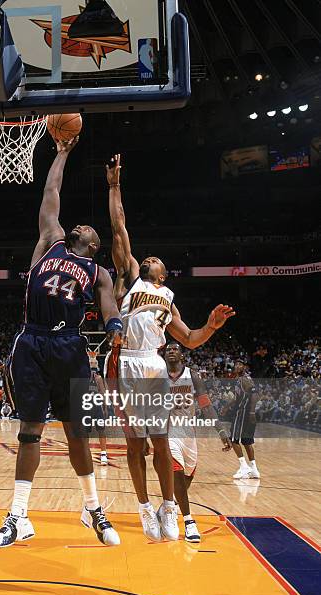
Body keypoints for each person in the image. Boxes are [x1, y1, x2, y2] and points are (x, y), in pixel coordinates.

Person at [0, 137, 123, 549]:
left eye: (88, 228)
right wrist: (62, 151)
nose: (81, 225)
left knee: (77, 433)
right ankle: (18, 517)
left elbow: (109, 303)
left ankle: (93, 508)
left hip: (69, 347)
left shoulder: (96, 270)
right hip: (31, 341)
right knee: (30, 430)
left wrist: (115, 326)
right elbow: (51, 193)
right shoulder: (52, 239)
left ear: (94, 244)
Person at [105, 154, 235, 542]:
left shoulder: (168, 300)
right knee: (135, 444)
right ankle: (144, 508)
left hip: (155, 366)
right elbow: (118, 227)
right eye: (147, 258)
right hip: (128, 362)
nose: (149, 258)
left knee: (160, 441)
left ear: (163, 274)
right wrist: (114, 186)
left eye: (156, 260)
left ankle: (167, 508)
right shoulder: (130, 276)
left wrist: (210, 327)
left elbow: (191, 339)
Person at [164, 342, 231, 542]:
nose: (171, 351)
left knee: (188, 473)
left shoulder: (192, 376)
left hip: (189, 431)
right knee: (176, 472)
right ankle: (189, 521)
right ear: (164, 355)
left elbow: (206, 405)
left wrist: (220, 430)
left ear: (182, 355)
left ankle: (171, 506)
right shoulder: (158, 376)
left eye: (175, 349)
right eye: (168, 349)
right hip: (168, 431)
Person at [230, 360, 260, 480]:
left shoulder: (245, 379)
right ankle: (254, 469)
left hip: (243, 413)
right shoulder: (239, 380)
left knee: (233, 439)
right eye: (236, 364)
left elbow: (255, 395)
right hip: (243, 412)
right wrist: (227, 407)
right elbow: (237, 398)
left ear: (244, 367)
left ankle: (244, 467)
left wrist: (252, 411)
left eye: (240, 364)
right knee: (247, 441)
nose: (237, 366)